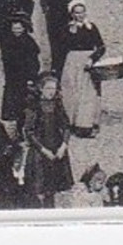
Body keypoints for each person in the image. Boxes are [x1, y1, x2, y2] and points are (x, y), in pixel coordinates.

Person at [21, 72, 75, 208]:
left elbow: (66, 126)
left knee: (55, 187)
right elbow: (29, 131)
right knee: (40, 186)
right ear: (41, 89)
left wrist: (63, 146)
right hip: (40, 151)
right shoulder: (34, 106)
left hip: (57, 149)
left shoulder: (58, 105)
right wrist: (43, 150)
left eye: (54, 88)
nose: (51, 92)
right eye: (48, 88)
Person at [59, 0, 106, 138]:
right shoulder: (67, 28)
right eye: (76, 12)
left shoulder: (91, 27)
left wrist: (92, 59)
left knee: (87, 93)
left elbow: (101, 46)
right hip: (72, 61)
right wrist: (69, 34)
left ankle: (84, 124)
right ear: (72, 14)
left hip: (87, 61)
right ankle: (69, 123)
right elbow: (61, 47)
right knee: (71, 91)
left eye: (82, 12)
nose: (80, 15)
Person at [0, 13, 41, 129]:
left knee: (24, 103)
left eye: (19, 28)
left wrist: (32, 77)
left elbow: (34, 62)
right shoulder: (8, 42)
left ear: (24, 28)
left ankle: (24, 127)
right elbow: (6, 60)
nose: (16, 31)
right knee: (13, 103)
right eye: (14, 28)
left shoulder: (29, 42)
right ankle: (14, 127)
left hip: (25, 78)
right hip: (12, 78)